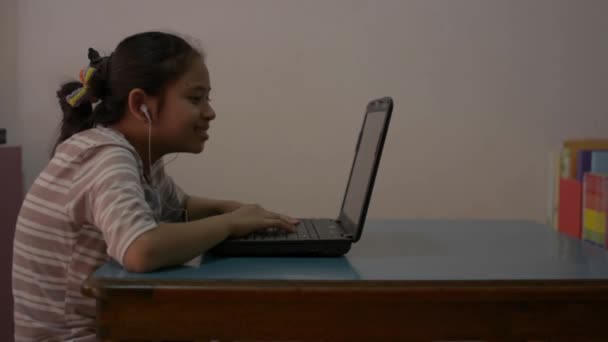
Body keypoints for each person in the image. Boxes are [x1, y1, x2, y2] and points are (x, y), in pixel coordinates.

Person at [12, 31, 298, 341]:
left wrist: (230, 209)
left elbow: (179, 206)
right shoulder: (106, 156)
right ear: (140, 105)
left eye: (208, 98)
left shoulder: (137, 154)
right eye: (195, 98)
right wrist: (228, 224)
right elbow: (140, 248)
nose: (210, 112)